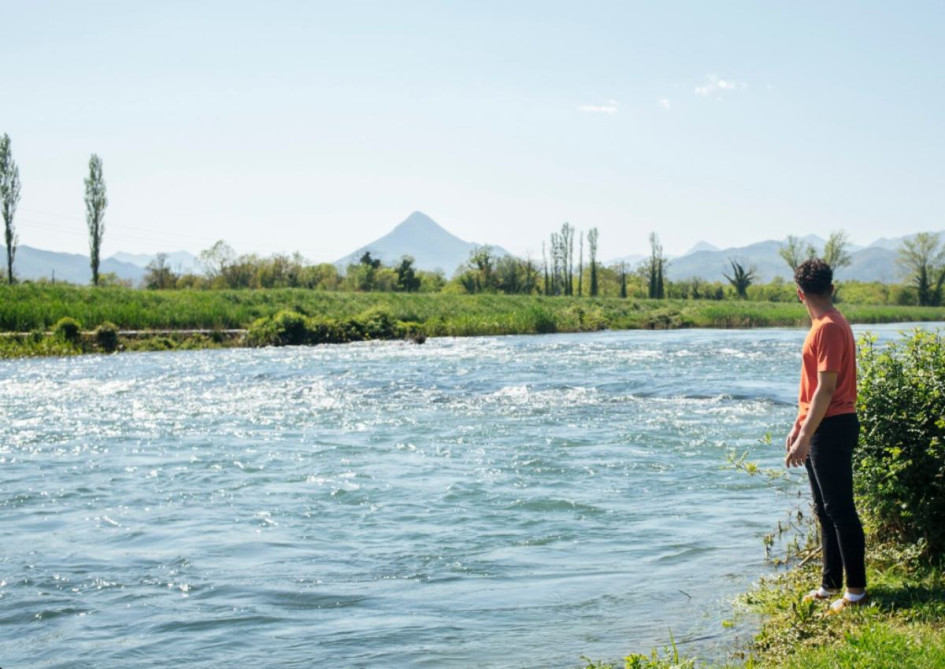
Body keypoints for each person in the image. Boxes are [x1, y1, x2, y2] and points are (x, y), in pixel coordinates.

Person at [784, 258, 867, 613]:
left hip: (831, 425)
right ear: (831, 288)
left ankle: (856, 592)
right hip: (821, 423)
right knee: (824, 510)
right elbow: (812, 388)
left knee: (840, 510)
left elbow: (827, 389)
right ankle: (830, 584)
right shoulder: (823, 324)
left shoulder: (829, 327)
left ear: (799, 293)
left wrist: (805, 434)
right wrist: (798, 424)